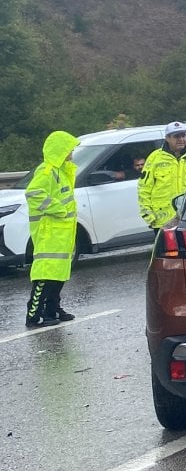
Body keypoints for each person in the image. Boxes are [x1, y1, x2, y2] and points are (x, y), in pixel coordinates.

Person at [24, 131, 80, 327]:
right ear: (61, 151)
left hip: (61, 232)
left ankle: (52, 310)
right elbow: (33, 193)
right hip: (50, 232)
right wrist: (60, 210)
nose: (72, 151)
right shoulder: (47, 171)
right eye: (69, 148)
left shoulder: (61, 171)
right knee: (45, 274)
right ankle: (34, 315)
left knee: (58, 273)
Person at [138, 121, 186, 230]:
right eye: (176, 136)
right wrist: (148, 215)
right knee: (168, 248)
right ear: (167, 138)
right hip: (163, 221)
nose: (181, 139)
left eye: (183, 135)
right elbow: (144, 187)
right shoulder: (155, 158)